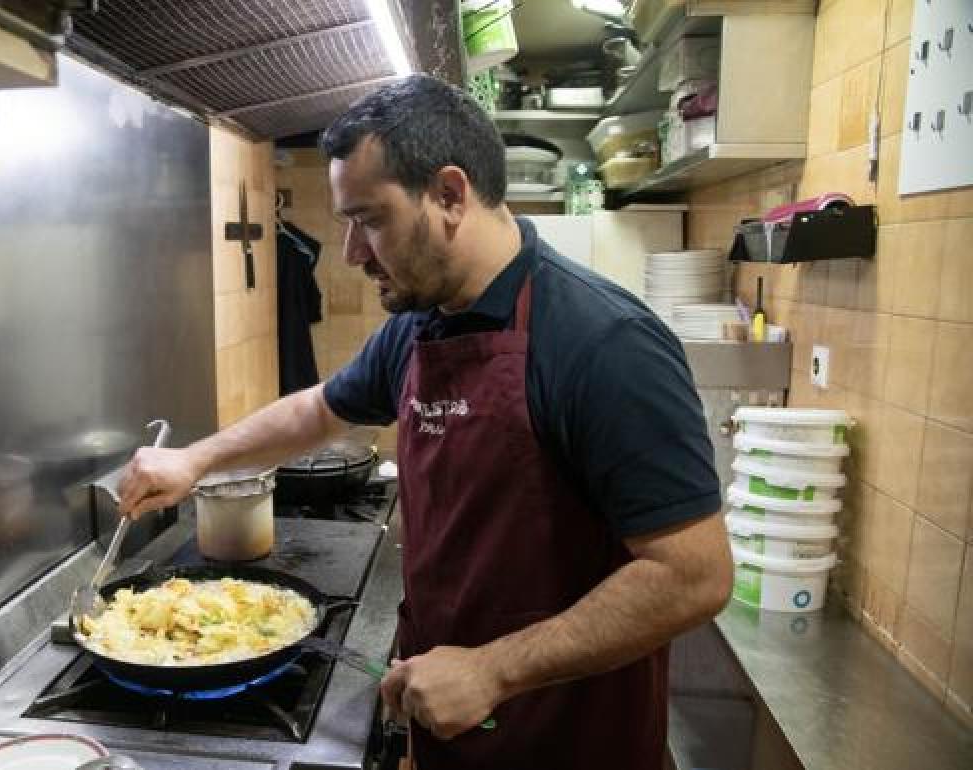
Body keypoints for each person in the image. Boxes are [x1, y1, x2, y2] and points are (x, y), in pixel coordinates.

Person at [119, 74, 732, 770]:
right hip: (445, 724)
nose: (351, 252)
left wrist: (493, 670)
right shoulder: (421, 324)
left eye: (369, 220)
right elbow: (321, 408)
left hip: (566, 741)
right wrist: (196, 460)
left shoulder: (605, 342)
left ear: (448, 194)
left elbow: (692, 576)